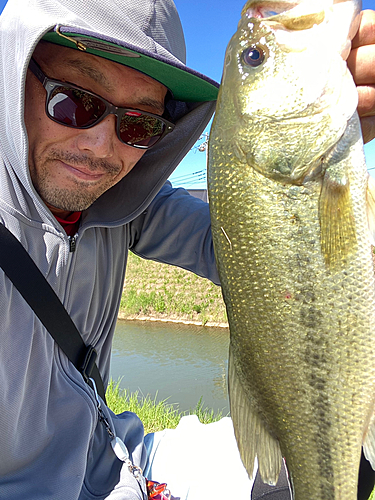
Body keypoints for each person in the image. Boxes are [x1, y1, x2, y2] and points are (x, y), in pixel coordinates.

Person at [0, 1, 374, 499]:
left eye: (139, 124)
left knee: (336, 449)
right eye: (74, 102)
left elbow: (253, 261)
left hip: (120, 460)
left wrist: (316, 178)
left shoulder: (124, 202)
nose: (99, 148)